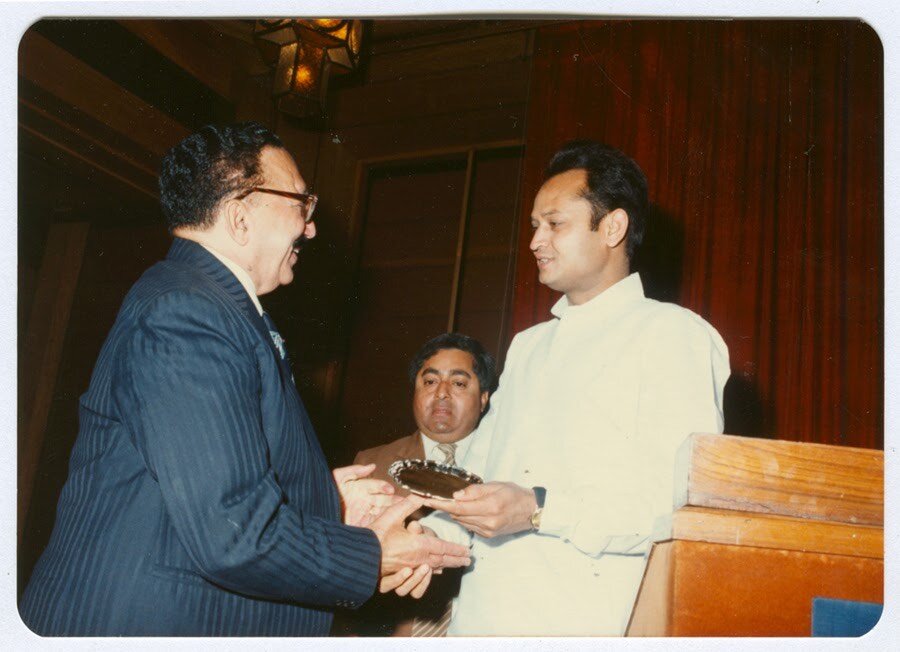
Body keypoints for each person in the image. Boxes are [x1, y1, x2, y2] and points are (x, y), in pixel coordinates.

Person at [18, 122, 469, 636]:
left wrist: (325, 500)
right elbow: (232, 534)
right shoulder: (187, 314)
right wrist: (371, 556)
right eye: (303, 205)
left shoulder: (209, 307)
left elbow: (197, 486)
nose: (312, 227)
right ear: (239, 217)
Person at [420, 140, 731, 635]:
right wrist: (426, 534)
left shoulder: (674, 336)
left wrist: (540, 508)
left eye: (555, 224)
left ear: (613, 226)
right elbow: (481, 471)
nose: (535, 242)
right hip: (480, 622)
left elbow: (676, 506)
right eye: (534, 227)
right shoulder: (529, 346)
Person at [342, 333, 497, 636]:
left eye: (459, 383)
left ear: (484, 398)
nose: (441, 393)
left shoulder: (507, 465)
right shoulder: (371, 464)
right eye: (429, 381)